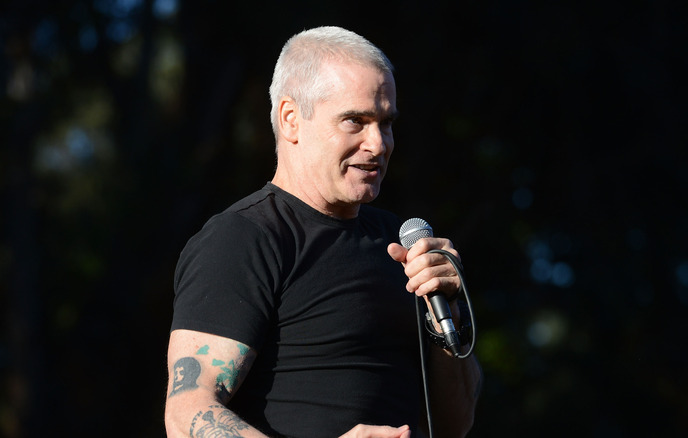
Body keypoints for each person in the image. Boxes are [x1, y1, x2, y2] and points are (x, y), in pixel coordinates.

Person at [164, 26, 481, 438]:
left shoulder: (399, 243)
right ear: (291, 119)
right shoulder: (243, 238)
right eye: (355, 121)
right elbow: (187, 415)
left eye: (386, 123)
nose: (379, 144)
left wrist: (449, 316)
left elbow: (455, 425)